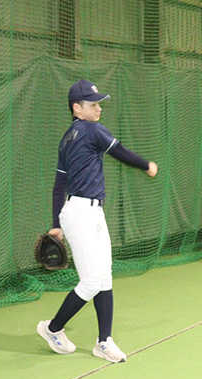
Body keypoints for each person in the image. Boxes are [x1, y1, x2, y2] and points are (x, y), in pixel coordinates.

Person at [36, 80, 158, 363]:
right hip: (80, 214)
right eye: (93, 104)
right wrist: (146, 165)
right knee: (91, 282)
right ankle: (52, 329)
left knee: (104, 276)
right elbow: (120, 152)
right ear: (77, 109)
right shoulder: (92, 130)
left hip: (88, 212)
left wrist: (56, 223)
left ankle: (104, 342)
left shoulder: (66, 139)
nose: (99, 108)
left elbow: (59, 186)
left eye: (99, 103)